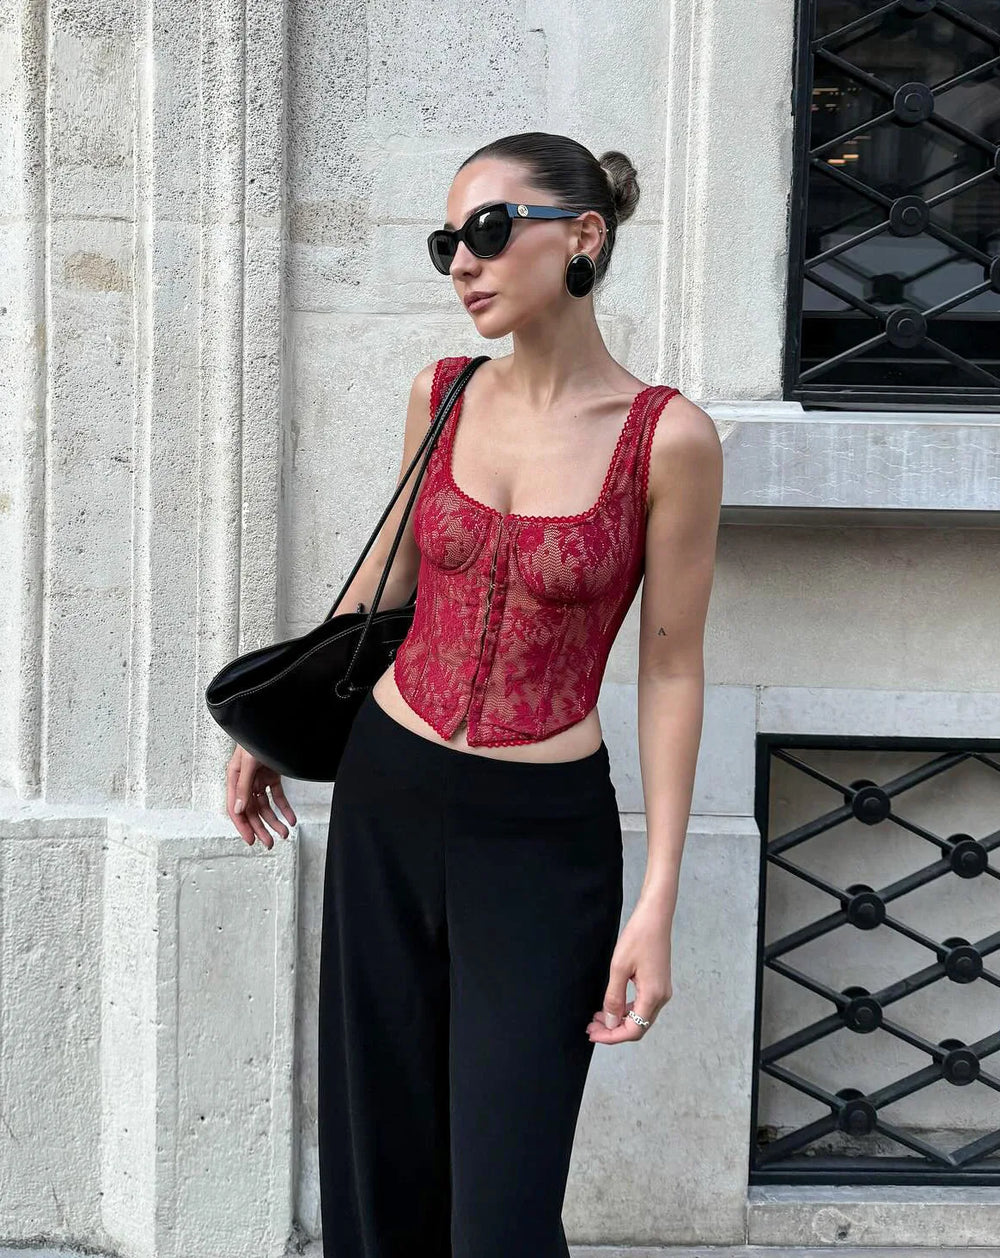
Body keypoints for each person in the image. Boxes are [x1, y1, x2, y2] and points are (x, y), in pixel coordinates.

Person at [226, 131, 723, 1257]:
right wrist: (275, 722)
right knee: (380, 1155)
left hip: (541, 841)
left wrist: (657, 899)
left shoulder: (669, 439)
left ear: (582, 235)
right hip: (388, 796)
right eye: (447, 241)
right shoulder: (441, 393)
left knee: (502, 1205)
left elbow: (672, 667)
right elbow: (389, 576)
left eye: (490, 232)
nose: (463, 262)